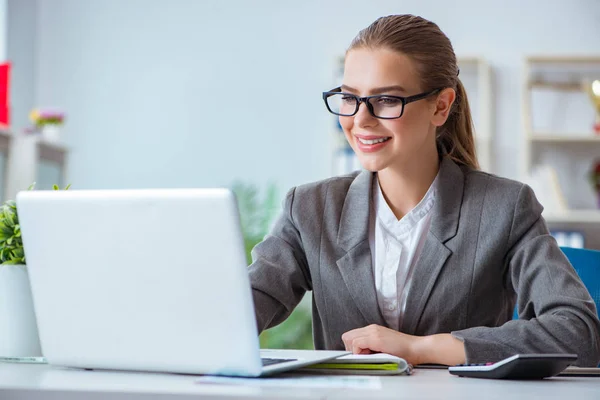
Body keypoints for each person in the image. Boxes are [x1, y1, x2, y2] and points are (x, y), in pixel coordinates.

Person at [248, 14, 600, 367]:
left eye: (386, 99)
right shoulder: (310, 208)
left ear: (440, 106)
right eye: (349, 97)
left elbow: (578, 333)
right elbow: (242, 308)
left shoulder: (505, 208)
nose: (360, 120)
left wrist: (422, 348)